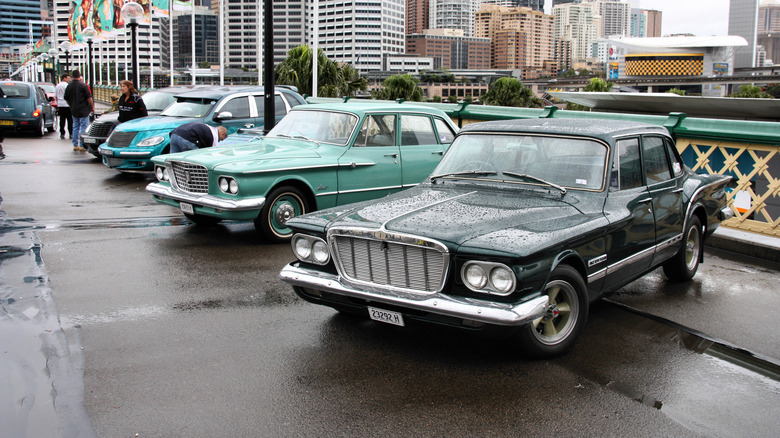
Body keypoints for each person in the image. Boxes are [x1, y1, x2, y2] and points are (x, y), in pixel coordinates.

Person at [63, 70, 94, 151]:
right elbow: (89, 98)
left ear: (72, 76)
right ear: (79, 75)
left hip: (74, 109)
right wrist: (92, 107)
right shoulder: (83, 85)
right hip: (83, 109)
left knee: (75, 127)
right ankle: (82, 145)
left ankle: (75, 145)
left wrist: (71, 105)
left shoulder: (69, 86)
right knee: (84, 127)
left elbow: (66, 98)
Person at [55, 73, 72, 139]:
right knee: (69, 120)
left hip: (60, 104)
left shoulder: (57, 86)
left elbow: (55, 96)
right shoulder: (67, 85)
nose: (69, 80)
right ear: (64, 78)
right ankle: (71, 133)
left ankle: (62, 133)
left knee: (62, 119)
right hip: (67, 105)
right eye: (68, 78)